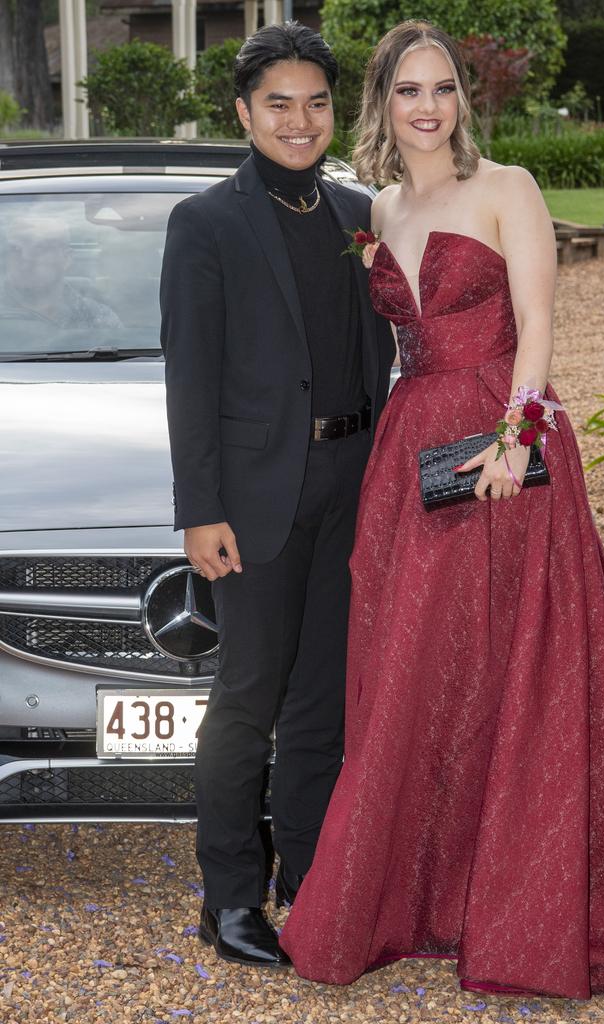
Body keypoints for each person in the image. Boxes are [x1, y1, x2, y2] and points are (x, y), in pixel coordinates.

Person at [279, 20, 604, 997]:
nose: (426, 107)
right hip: (412, 455)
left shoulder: (510, 189)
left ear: (463, 98)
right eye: (408, 90)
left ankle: (528, 896)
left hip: (505, 448)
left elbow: (538, 324)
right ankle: (425, 893)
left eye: (442, 88)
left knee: (520, 664)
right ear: (384, 103)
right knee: (420, 668)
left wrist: (518, 436)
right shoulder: (384, 209)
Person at [159, 22, 395, 969]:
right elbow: (191, 375)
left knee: (322, 701)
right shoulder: (207, 222)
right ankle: (228, 900)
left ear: (335, 109)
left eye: (316, 102)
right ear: (245, 113)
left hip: (354, 481)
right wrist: (199, 507)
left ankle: (308, 872)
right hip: (253, 496)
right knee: (247, 698)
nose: (300, 121)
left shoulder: (357, 212)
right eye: (278, 104)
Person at [1, 216, 121, 329]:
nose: (26, 259)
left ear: (66, 259)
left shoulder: (97, 319)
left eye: (41, 248)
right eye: (15, 249)